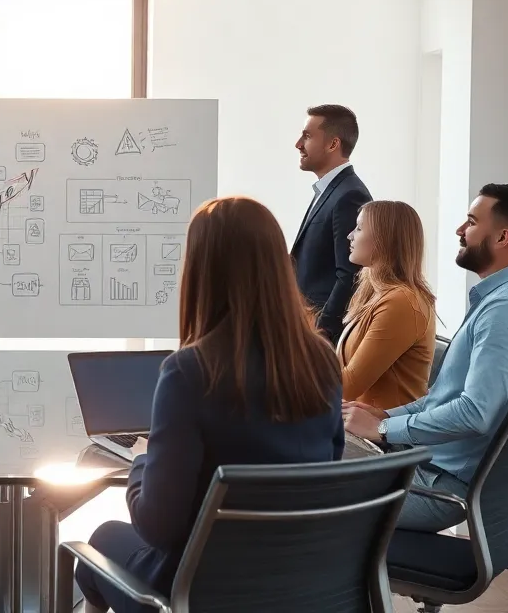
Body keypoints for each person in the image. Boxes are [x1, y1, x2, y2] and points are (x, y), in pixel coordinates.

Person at [75, 197, 343, 613]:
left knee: (100, 540)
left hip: (197, 592)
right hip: (299, 583)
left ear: (201, 271)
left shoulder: (189, 373)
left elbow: (158, 528)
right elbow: (329, 466)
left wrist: (143, 461)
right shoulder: (323, 361)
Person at [344, 184, 508, 532]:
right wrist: (386, 416)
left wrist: (384, 429)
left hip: (439, 486)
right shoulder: (504, 300)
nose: (460, 230)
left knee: (299, 489)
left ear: (503, 237)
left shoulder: (507, 311)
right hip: (431, 467)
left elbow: (474, 413)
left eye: (471, 222)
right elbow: (444, 397)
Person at [336, 200, 436, 409]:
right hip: (354, 424)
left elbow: (347, 387)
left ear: (384, 240)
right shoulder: (378, 294)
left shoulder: (401, 302)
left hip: (381, 435)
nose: (350, 235)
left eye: (359, 228)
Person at [291, 104, 371, 343]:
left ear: (333, 144)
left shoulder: (349, 195)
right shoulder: (329, 191)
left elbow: (349, 275)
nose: (298, 144)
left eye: (306, 136)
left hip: (321, 338)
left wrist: (321, 334)